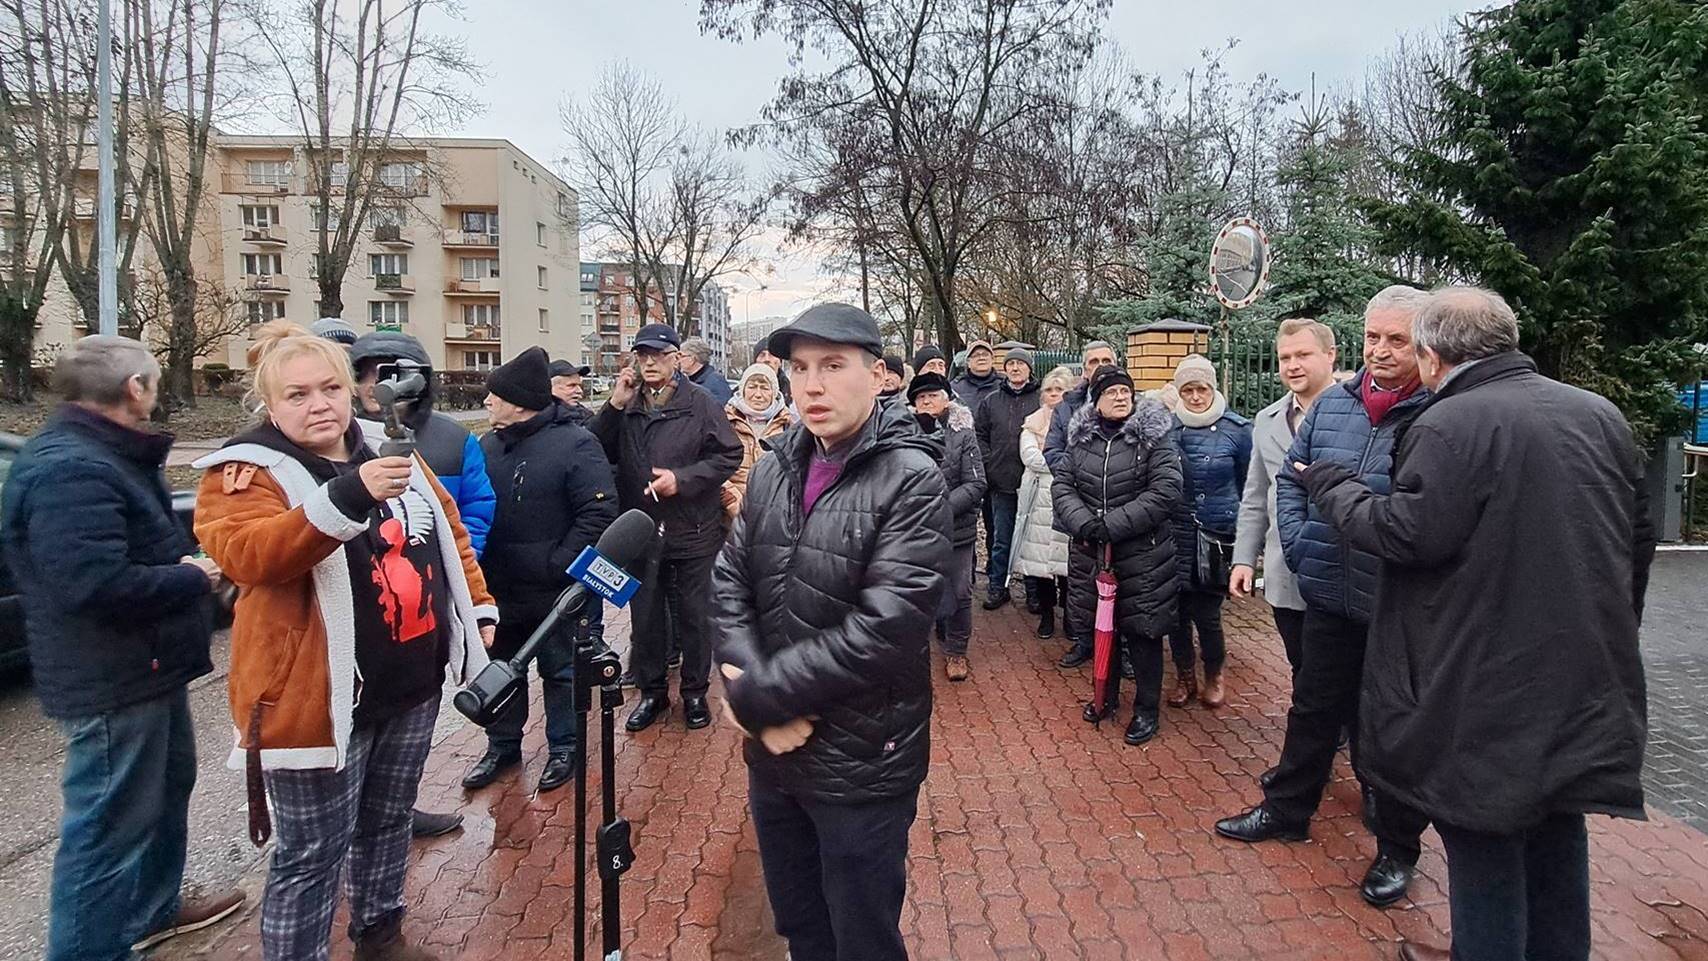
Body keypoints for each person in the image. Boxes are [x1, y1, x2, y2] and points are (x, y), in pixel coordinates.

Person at [1293, 287, 1654, 961]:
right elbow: (1637, 535)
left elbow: (1408, 534)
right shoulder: (1597, 413)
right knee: (1556, 834)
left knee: (1483, 845)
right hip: (1580, 677)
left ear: (1431, 355)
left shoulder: (1450, 422)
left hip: (1483, 685)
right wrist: (1611, 626)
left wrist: (1334, 485)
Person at [193, 322, 495, 961]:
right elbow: (248, 556)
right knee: (311, 855)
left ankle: (380, 937)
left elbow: (448, 532)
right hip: (314, 699)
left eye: (330, 388)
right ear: (269, 403)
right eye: (297, 394)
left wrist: (478, 607)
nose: (318, 404)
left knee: (388, 822)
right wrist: (349, 495)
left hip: (410, 682)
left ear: (353, 389)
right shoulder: (243, 471)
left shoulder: (386, 446)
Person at [713, 302, 951, 961]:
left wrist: (758, 696)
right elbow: (729, 580)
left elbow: (886, 628)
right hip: (775, 754)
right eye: (799, 368)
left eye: (833, 365)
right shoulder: (774, 466)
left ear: (877, 376)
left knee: (862, 938)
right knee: (801, 927)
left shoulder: (912, 479)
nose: (812, 385)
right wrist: (748, 684)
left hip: (861, 763)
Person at [1, 337, 244, 961]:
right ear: (136, 388)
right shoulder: (71, 470)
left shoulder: (102, 454)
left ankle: (151, 912)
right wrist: (193, 577)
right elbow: (92, 584)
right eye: (154, 382)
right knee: (106, 831)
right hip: (112, 679)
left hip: (148, 666)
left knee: (165, 791)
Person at [1214, 285, 1435, 911]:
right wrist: (1303, 547)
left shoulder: (1437, 411)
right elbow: (1290, 480)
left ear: (1423, 343)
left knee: (1388, 724)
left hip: (1395, 602)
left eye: (1396, 339)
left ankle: (1396, 847)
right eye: (1373, 337)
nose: (1381, 350)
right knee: (1311, 708)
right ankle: (1287, 810)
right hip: (1330, 591)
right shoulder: (1336, 405)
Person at [347, 331, 498, 838]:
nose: (378, 385)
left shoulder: (451, 440)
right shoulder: (338, 443)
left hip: (423, 621)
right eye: (368, 374)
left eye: (391, 374)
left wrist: (458, 578)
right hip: (364, 627)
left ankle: (399, 813)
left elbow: (472, 512)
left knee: (400, 761)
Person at [462, 347, 620, 794]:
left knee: (562, 672)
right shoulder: (486, 447)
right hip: (499, 589)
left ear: (517, 403)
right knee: (499, 670)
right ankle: (502, 746)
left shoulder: (577, 443)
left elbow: (598, 514)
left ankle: (565, 748)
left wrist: (557, 565)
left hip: (555, 592)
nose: (487, 402)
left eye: (494, 396)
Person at [593, 323, 742, 732]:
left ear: (676, 358)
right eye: (643, 356)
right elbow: (594, 448)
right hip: (642, 528)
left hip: (693, 526)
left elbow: (729, 454)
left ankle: (694, 692)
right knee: (645, 617)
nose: (650, 363)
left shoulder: (701, 402)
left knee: (695, 616)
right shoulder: (628, 403)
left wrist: (683, 479)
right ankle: (653, 692)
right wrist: (614, 405)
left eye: (658, 355)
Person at [1052, 366, 1181, 745]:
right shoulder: (1081, 439)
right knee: (1102, 630)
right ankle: (1104, 697)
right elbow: (1063, 485)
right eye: (1111, 392)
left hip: (1144, 556)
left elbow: (1166, 490)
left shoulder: (1154, 436)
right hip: (1094, 554)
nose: (1121, 397)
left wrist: (1112, 525)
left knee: (1143, 634)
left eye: (1126, 391)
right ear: (1096, 401)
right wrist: (1086, 524)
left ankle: (1146, 709)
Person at [1230, 318, 1338, 678]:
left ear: (1330, 355)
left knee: (1336, 677)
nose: (1292, 365)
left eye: (1303, 355)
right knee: (1300, 668)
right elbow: (1255, 496)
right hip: (1285, 571)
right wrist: (1244, 559)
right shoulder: (1267, 419)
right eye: (1285, 357)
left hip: (1338, 571)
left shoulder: (1355, 415)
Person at [1165, 355, 1251, 709]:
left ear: (1213, 388)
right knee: (1176, 613)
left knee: (1208, 614)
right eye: (1188, 390)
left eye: (1201, 389)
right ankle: (1185, 675)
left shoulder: (1237, 430)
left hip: (1216, 534)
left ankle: (1214, 674)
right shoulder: (1169, 429)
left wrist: (1245, 536)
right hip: (1176, 532)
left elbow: (1248, 485)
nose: (1196, 397)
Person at [1044, 340, 1119, 669]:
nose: (1099, 366)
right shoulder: (1066, 407)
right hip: (1080, 508)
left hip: (1120, 509)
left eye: (1106, 360)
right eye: (1093, 362)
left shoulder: (1130, 401)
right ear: (1084, 369)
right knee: (1082, 582)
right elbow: (1053, 451)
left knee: (1123, 583)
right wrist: (1084, 477)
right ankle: (1084, 642)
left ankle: (1122, 649)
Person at [908, 371, 986, 681]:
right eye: (921, 397)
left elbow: (976, 483)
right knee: (915, 591)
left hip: (956, 528)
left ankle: (956, 651)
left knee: (960, 591)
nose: (927, 401)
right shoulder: (903, 434)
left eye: (933, 395)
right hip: (914, 530)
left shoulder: (963, 433)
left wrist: (941, 509)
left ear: (946, 400)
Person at [1010, 365, 1075, 639]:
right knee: (1041, 564)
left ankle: (1071, 617)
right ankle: (1047, 616)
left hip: (1068, 498)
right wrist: (1063, 460)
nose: (1054, 394)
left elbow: (1081, 457)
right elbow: (1031, 458)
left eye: (1059, 389)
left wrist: (1056, 458)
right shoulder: (1032, 423)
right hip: (1037, 501)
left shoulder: (1079, 422)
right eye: (1049, 390)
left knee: (1068, 564)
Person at [974, 345, 1040, 611]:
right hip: (1001, 481)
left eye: (1020, 364)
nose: (1015, 368)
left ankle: (1034, 592)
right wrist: (989, 462)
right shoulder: (991, 401)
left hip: (1032, 482)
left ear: (1029, 368)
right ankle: (998, 587)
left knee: (1031, 540)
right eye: (1011, 364)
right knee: (1001, 539)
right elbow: (979, 435)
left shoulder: (1040, 399)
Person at [723, 363, 795, 519]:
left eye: (764, 388)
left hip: (774, 517)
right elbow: (715, 469)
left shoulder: (789, 426)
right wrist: (735, 505)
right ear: (742, 390)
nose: (758, 394)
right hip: (730, 516)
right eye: (752, 387)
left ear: (774, 392)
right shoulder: (724, 422)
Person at [681, 335, 733, 406]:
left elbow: (721, 408)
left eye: (681, 356)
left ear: (692, 359)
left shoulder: (716, 381)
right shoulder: (689, 381)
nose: (677, 360)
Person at [548, 359, 596, 426]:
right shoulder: (542, 420)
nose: (580, 391)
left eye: (580, 386)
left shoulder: (584, 414)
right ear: (551, 387)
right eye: (572, 385)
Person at [754, 336, 792, 404]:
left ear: (780, 362)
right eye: (762, 355)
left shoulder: (793, 393)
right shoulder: (739, 395)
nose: (767, 359)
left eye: (772, 355)